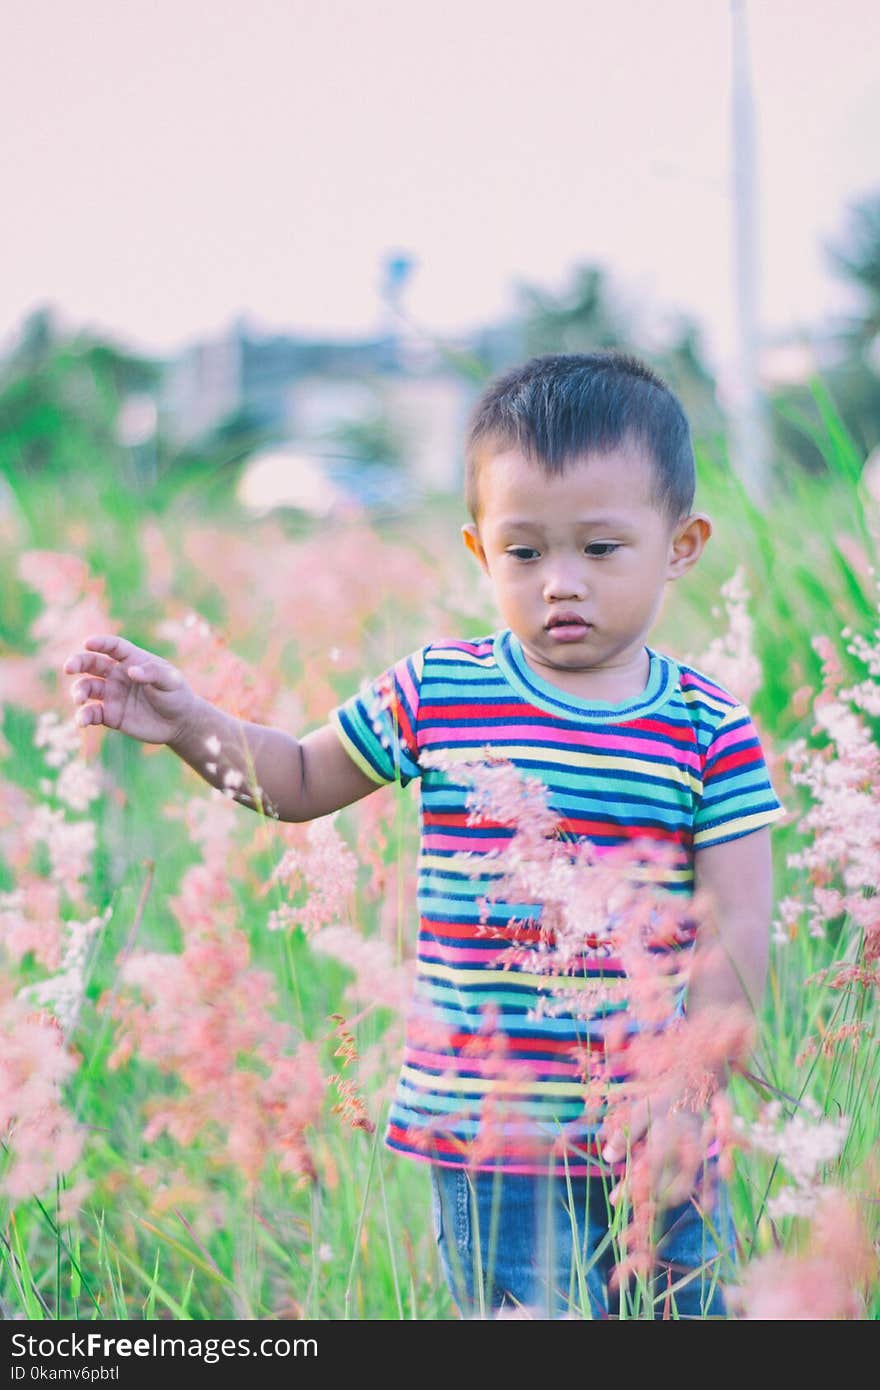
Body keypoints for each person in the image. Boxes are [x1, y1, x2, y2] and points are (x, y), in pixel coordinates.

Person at [63, 352, 785, 1319]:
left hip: (660, 1130)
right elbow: (300, 779)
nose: (560, 583)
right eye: (525, 552)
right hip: (493, 1138)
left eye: (601, 549)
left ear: (681, 544)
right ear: (481, 550)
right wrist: (189, 723)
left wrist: (689, 1083)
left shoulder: (708, 727)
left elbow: (737, 922)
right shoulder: (440, 691)